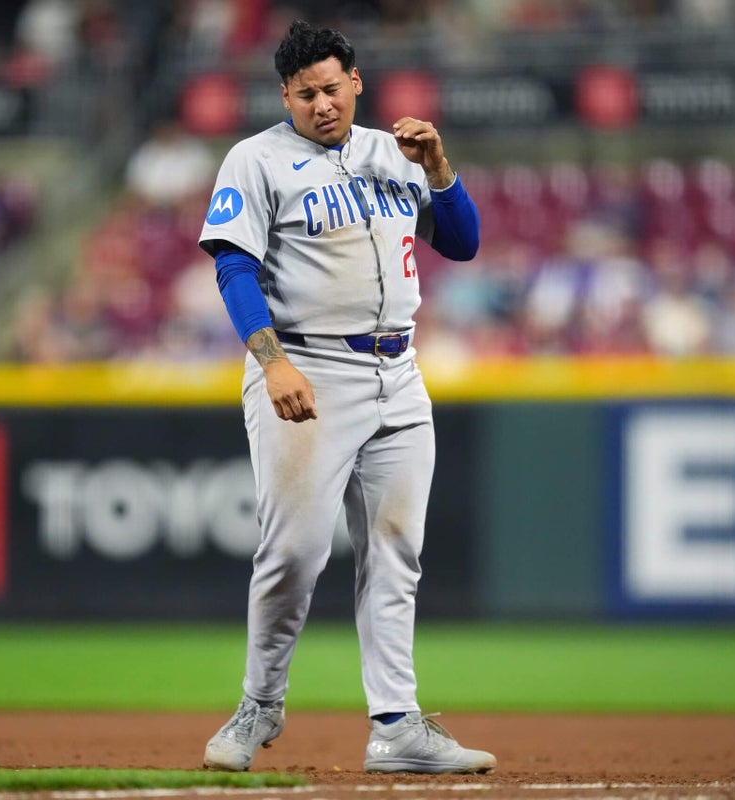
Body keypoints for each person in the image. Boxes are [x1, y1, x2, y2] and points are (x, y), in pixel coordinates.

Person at [196, 20, 495, 775]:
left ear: (356, 81)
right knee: (293, 552)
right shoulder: (256, 159)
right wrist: (272, 364)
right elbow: (234, 269)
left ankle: (396, 725)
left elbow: (461, 243)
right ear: (285, 96)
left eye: (332, 88)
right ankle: (259, 704)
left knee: (396, 549)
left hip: (399, 372)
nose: (321, 104)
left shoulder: (391, 152)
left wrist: (439, 169)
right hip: (309, 370)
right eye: (305, 94)